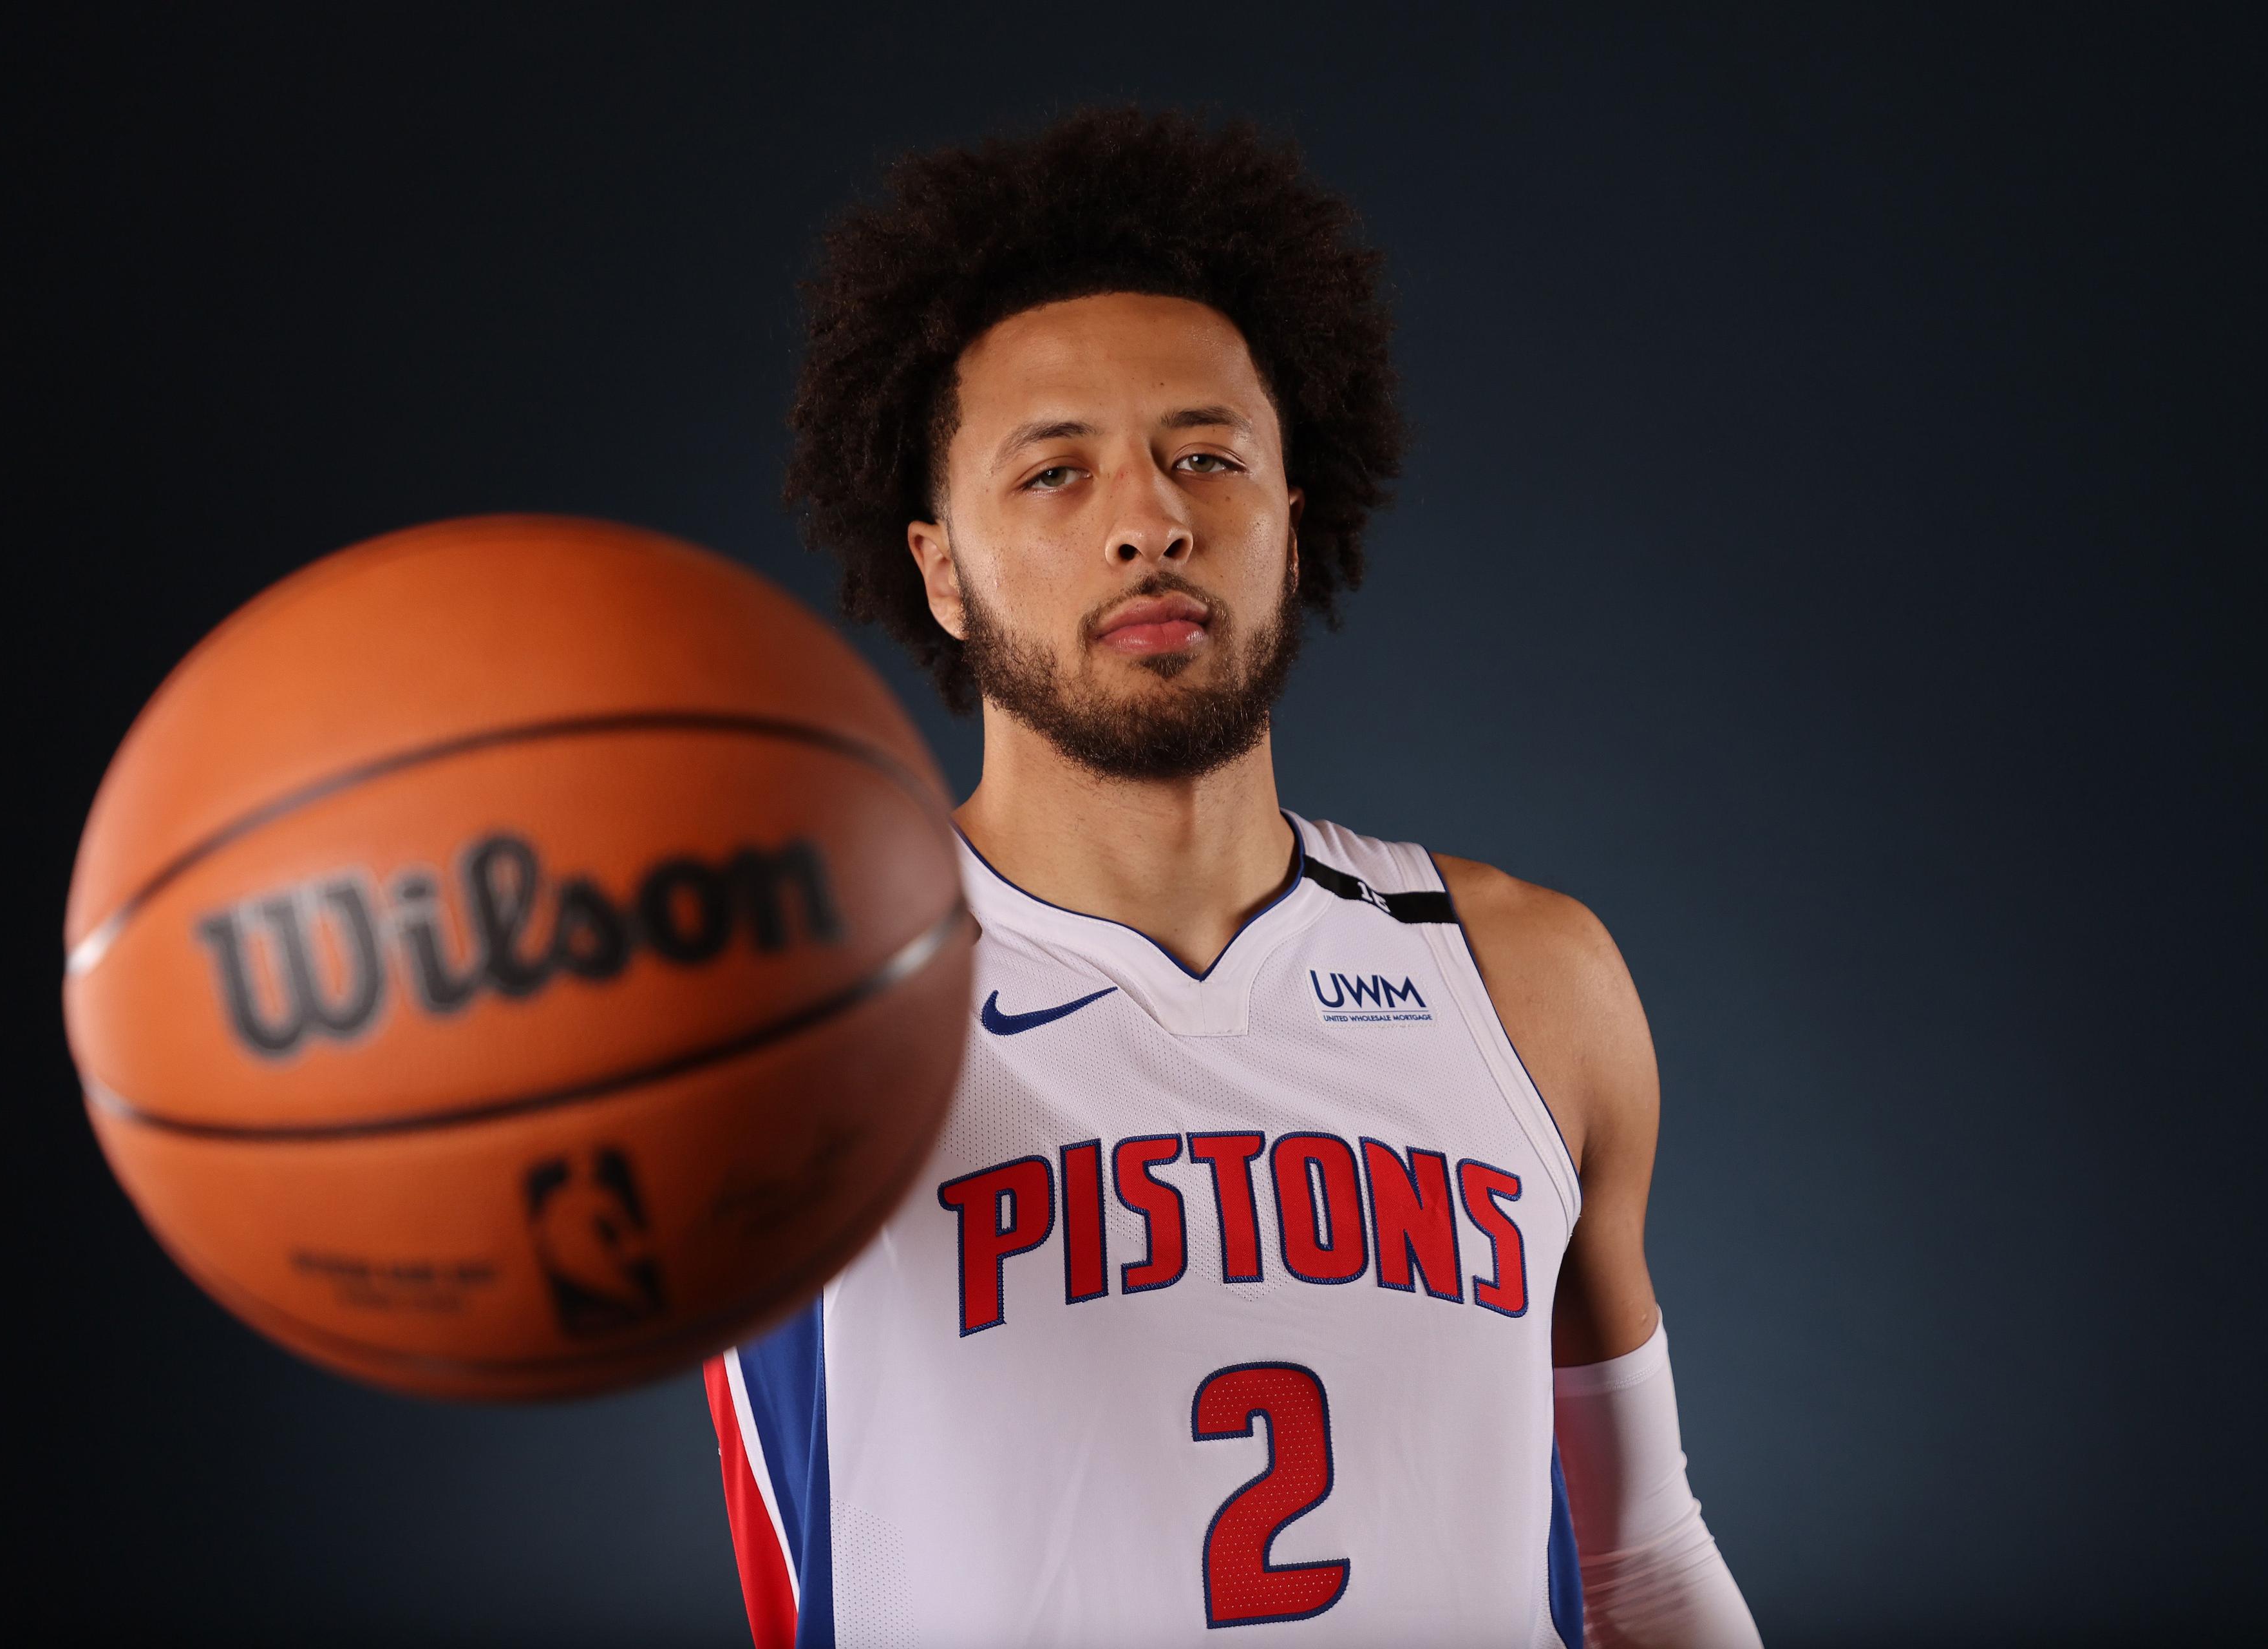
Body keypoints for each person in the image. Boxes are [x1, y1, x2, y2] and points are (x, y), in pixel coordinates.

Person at [703, 108, 1761, 1649]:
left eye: (1205, 457)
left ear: (1291, 524)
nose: (1150, 522)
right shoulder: (779, 1004)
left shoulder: (1528, 978)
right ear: (940, 568)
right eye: (1055, 473)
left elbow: (1644, 1560)